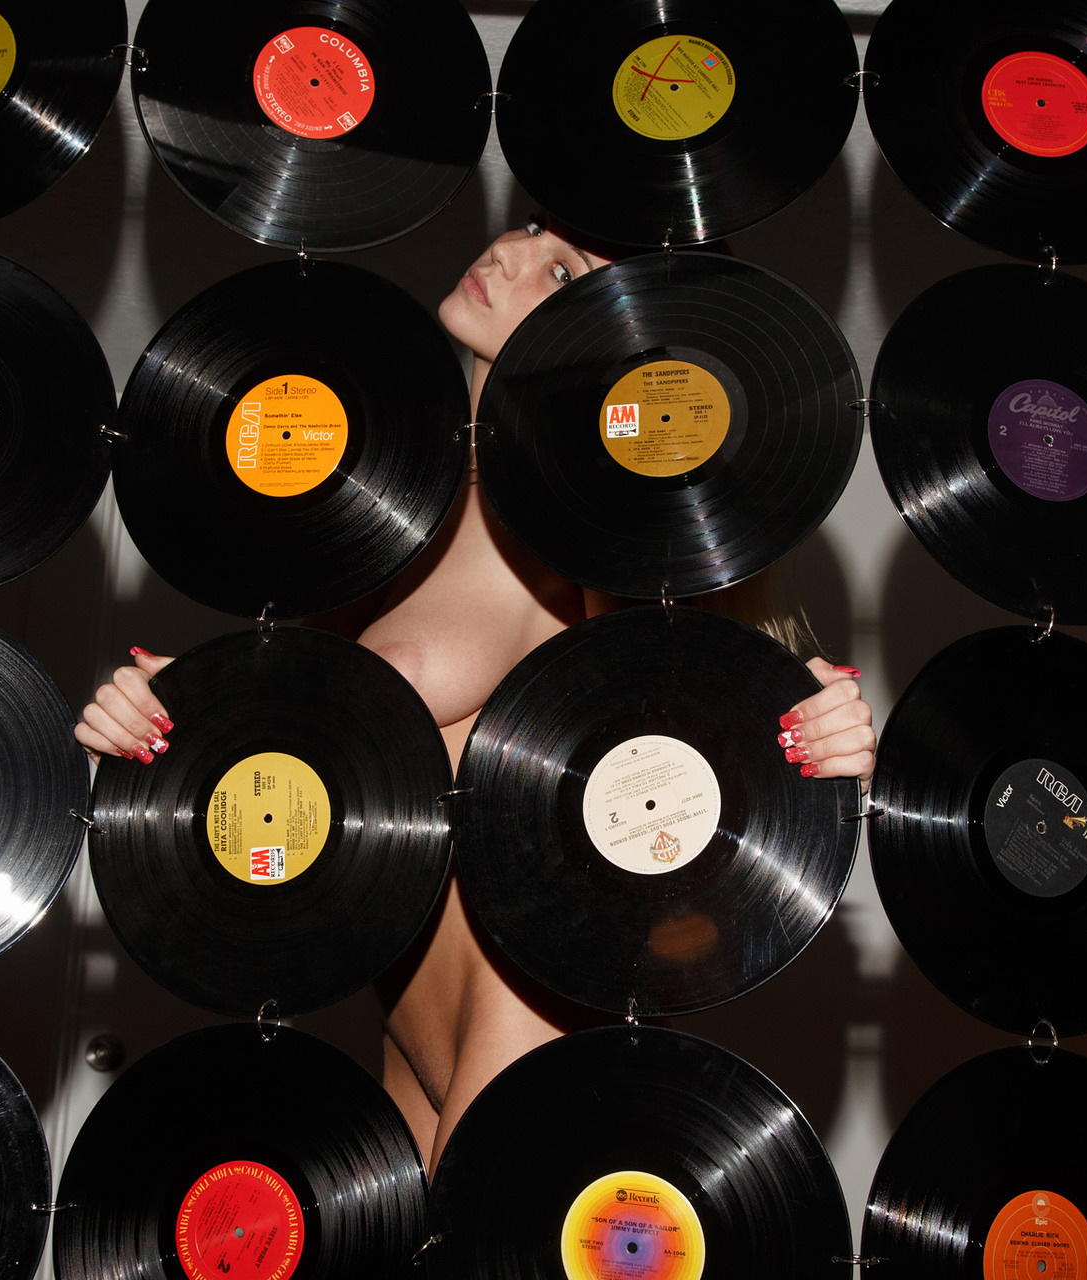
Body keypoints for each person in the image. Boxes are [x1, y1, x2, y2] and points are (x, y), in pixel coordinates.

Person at [74, 219, 877, 1171]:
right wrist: (166, 711)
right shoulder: (389, 501)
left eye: (562, 271)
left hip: (531, 1021)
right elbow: (304, 729)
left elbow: (682, 731)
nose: (510, 253)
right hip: (403, 1022)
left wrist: (811, 729)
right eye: (530, 225)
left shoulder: (590, 535)